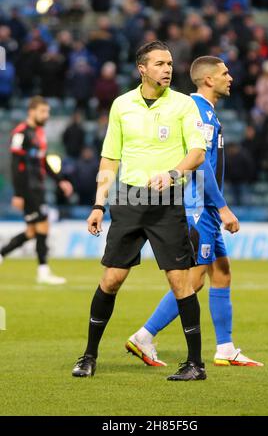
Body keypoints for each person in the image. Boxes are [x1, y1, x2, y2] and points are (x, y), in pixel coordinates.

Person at [72, 41, 207, 381]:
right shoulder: (121, 105)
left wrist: (173, 174)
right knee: (111, 279)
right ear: (142, 68)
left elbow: (198, 152)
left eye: (170, 63)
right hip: (128, 201)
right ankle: (88, 356)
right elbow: (110, 157)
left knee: (181, 283)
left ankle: (196, 364)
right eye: (160, 63)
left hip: (166, 204)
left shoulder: (184, 105)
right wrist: (99, 204)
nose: (168, 69)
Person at [126, 56, 264, 367]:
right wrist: (224, 208)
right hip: (199, 209)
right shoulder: (198, 112)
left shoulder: (206, 112)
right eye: (225, 73)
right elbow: (201, 168)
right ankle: (143, 336)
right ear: (208, 80)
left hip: (205, 211)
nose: (231, 78)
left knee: (222, 273)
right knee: (193, 280)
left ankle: (226, 349)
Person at [0, 96, 73, 284]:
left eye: (47, 111)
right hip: (28, 189)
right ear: (31, 112)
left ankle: (2, 255)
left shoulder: (39, 133)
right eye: (43, 111)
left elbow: (43, 161)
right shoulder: (21, 132)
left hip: (37, 187)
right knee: (42, 226)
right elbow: (16, 165)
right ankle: (43, 271)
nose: (46, 115)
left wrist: (60, 181)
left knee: (33, 231)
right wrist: (18, 193)